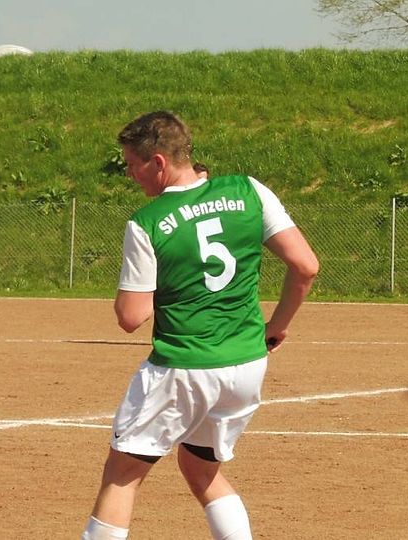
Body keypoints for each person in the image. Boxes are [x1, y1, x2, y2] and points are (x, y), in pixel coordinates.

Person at [81, 111, 318, 540]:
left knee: (122, 476)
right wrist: (277, 326)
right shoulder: (249, 190)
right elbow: (305, 266)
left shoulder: (148, 222)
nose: (131, 175)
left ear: (158, 162)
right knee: (201, 469)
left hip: (183, 367)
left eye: (133, 165)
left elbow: (131, 318)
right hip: (246, 364)